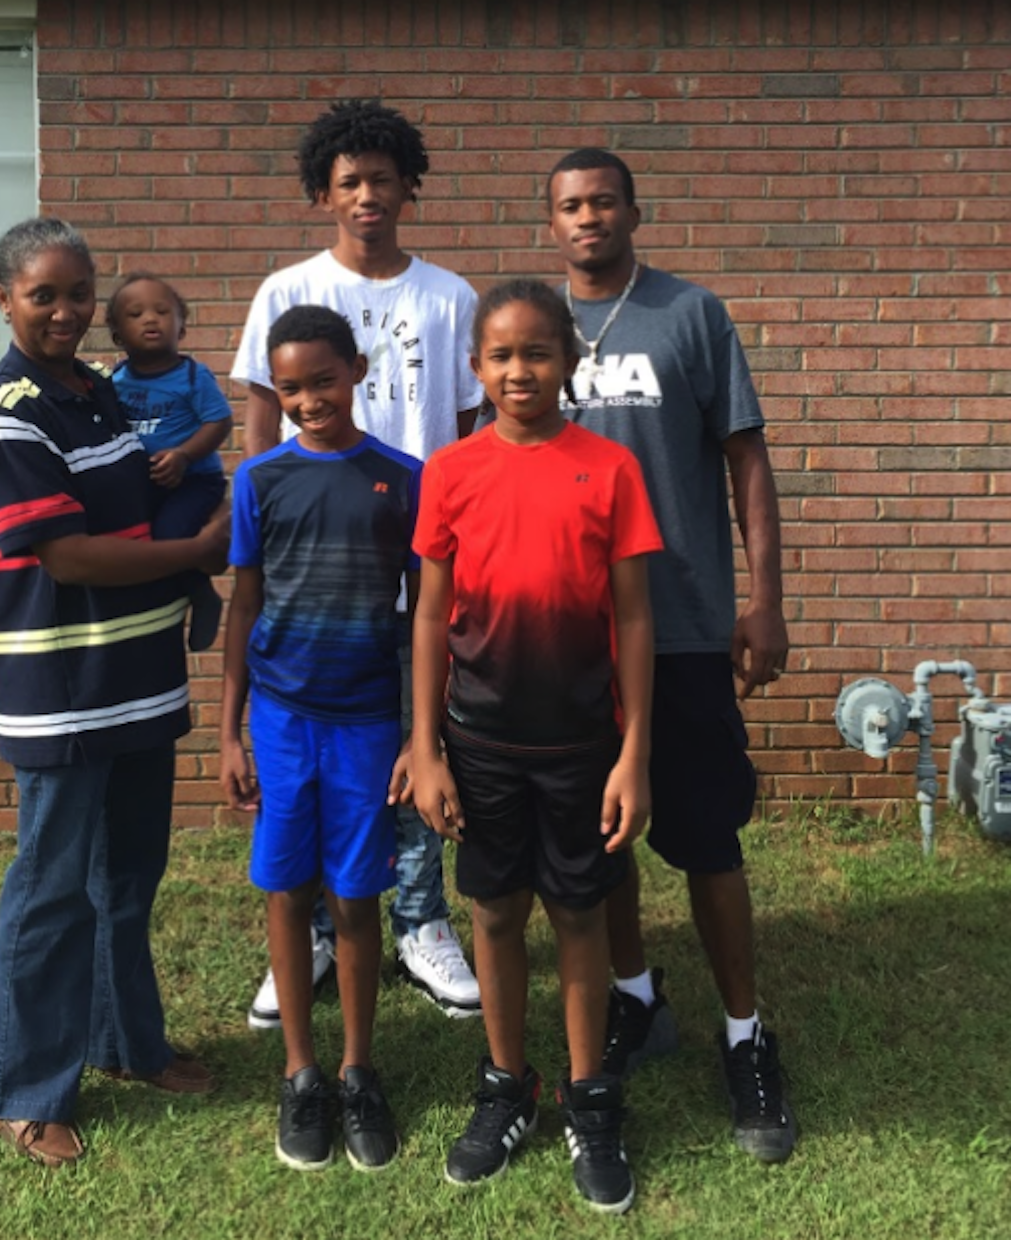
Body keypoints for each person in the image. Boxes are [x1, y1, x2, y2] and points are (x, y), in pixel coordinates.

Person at [541, 147, 796, 1162]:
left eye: (602, 200)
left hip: (684, 620)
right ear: (549, 223)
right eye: (568, 205)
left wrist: (765, 601)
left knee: (703, 838)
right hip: (568, 636)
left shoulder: (690, 315)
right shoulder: (529, 329)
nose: (586, 217)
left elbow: (746, 461)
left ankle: (745, 1033)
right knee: (598, 838)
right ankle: (637, 998)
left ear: (633, 212)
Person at [0, 217, 228, 1169]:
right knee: (53, 889)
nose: (69, 311)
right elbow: (65, 553)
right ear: (6, 301)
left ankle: (128, 1044)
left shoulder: (102, 395)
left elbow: (157, 490)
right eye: (45, 294)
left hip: (138, 678)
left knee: (127, 880)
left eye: (80, 293)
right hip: (63, 687)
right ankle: (27, 1089)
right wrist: (196, 553)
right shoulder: (12, 409)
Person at [230, 97, 483, 1028]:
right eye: (348, 182)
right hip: (312, 558)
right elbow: (261, 432)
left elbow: (461, 431)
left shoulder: (449, 297)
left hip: (408, 547)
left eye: (382, 179)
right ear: (321, 193)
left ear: (408, 186)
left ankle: (419, 919)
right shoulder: (284, 290)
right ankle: (318, 938)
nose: (367, 195)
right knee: (308, 761)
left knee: (411, 740)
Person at [413, 279, 662, 1213]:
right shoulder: (450, 471)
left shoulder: (609, 467)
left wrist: (634, 750)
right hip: (479, 741)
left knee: (580, 916)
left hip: (581, 745)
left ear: (570, 361)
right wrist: (427, 746)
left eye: (539, 353)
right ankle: (507, 1085)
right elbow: (432, 615)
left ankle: (590, 1100)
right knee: (493, 915)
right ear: (476, 367)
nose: (521, 371)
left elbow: (634, 618)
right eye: (502, 356)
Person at [220, 305, 418, 1172]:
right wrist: (229, 730)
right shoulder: (258, 481)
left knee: (356, 899)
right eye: (290, 387)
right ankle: (301, 1073)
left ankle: (357, 1068)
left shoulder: (405, 477)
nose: (307, 400)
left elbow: (426, 618)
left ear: (358, 371)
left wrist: (421, 734)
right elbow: (244, 602)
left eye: (323, 381)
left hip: (370, 721)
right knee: (288, 892)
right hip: (283, 719)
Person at [107, 272, 230, 652]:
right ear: (116, 334)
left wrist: (184, 455)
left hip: (194, 481)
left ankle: (201, 594)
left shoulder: (193, 376)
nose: (150, 319)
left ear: (182, 326)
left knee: (170, 536)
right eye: (136, 313)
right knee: (134, 546)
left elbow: (219, 421)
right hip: (144, 483)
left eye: (162, 311)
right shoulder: (115, 381)